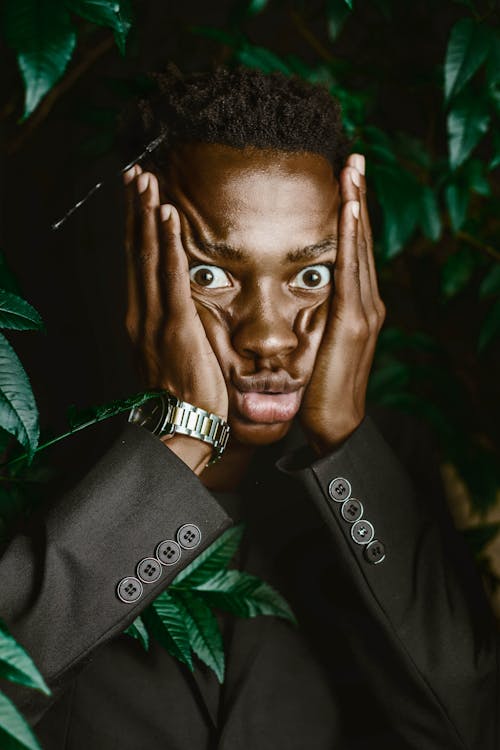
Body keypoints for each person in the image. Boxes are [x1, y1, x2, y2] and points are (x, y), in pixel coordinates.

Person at [3, 67, 498, 749]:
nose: (268, 335)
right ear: (139, 260)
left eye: (311, 275)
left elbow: (471, 730)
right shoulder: (28, 464)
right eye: (211, 274)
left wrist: (342, 439)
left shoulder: (386, 483)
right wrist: (182, 437)